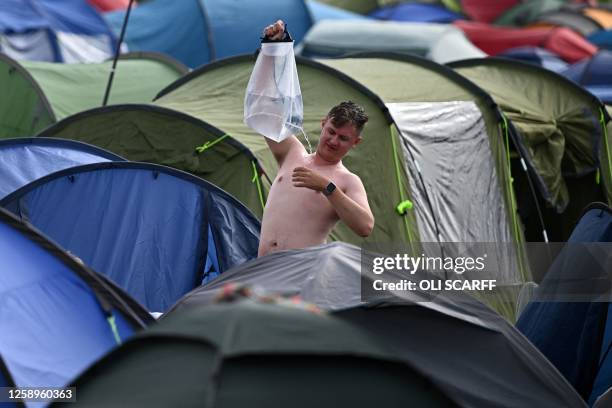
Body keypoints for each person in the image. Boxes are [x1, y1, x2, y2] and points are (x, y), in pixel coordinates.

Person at [257, 20, 374, 257]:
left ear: (355, 143)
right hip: (262, 269)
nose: (333, 141)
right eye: (331, 132)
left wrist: (326, 187)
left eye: (343, 138)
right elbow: (264, 111)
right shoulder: (292, 153)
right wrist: (273, 50)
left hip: (301, 276)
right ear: (323, 125)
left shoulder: (347, 181)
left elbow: (365, 226)